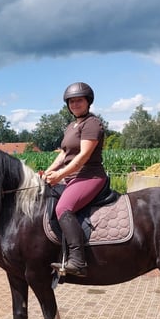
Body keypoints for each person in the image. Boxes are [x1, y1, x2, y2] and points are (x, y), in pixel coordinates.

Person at [43, 82, 108, 277]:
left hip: (90, 176)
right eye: (71, 101)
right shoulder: (71, 126)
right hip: (72, 177)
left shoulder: (92, 123)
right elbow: (64, 153)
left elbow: (83, 157)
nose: (75, 104)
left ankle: (78, 261)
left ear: (88, 102)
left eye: (79, 100)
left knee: (63, 208)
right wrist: (48, 172)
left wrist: (60, 175)